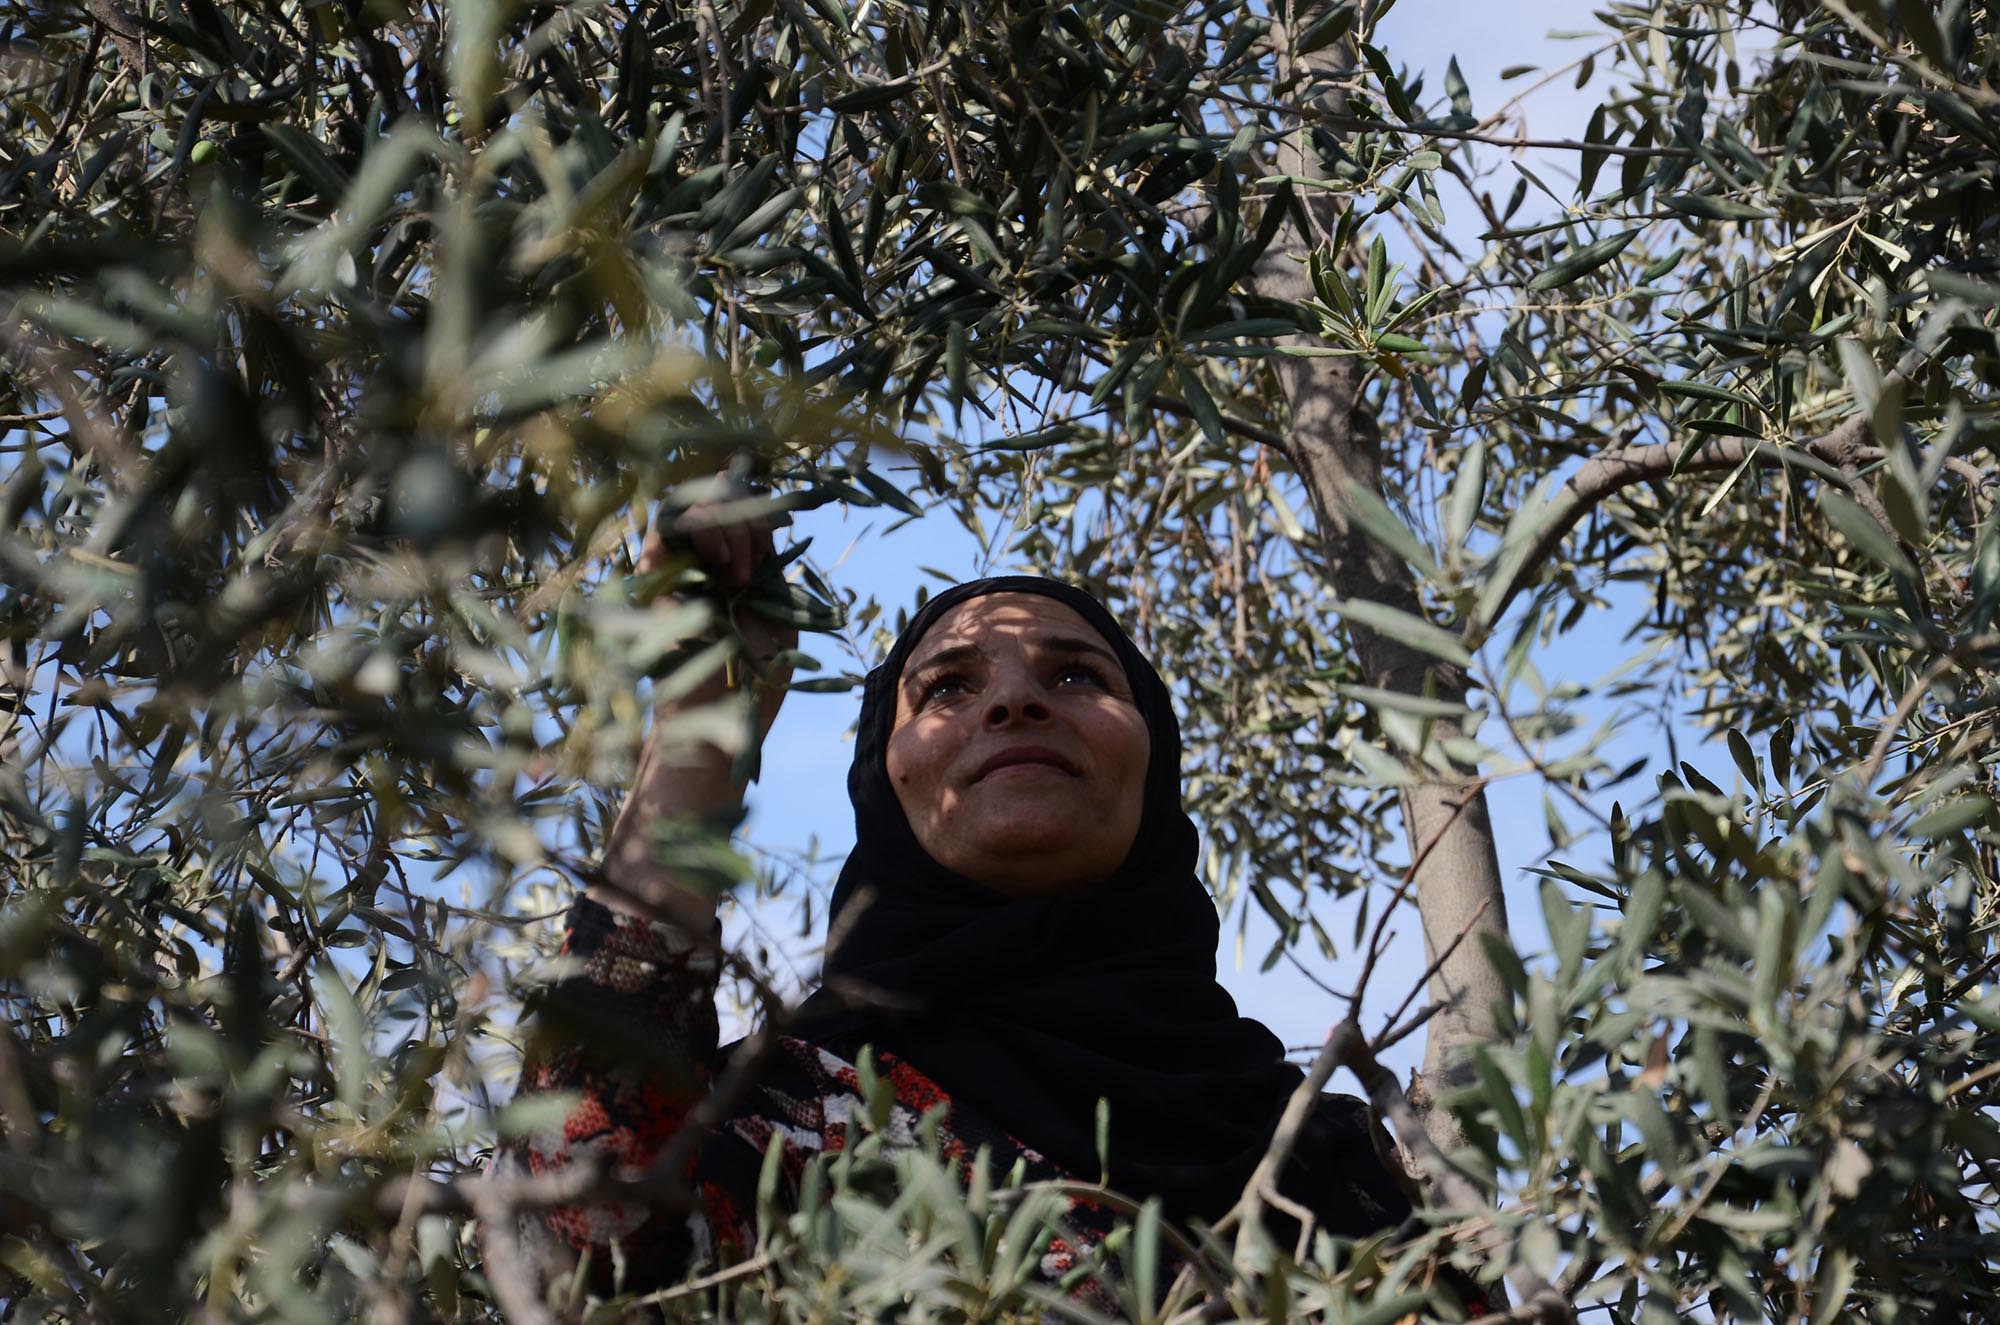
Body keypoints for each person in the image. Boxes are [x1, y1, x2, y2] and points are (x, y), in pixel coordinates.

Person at [498, 501, 1417, 1295]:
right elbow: (585, 1232)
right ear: (885, 781)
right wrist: (700, 723)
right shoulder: (798, 1115)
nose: (1015, 702)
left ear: (1154, 755)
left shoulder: (1340, 1164)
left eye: (1075, 675)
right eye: (947, 688)